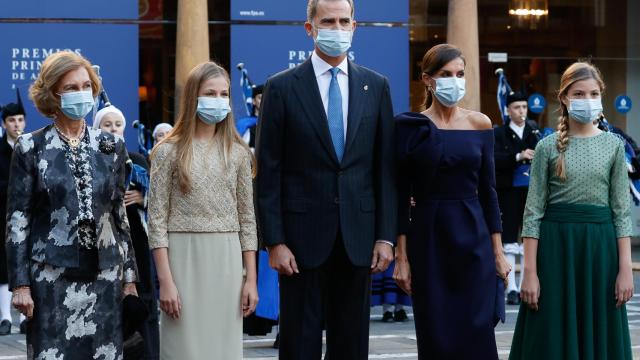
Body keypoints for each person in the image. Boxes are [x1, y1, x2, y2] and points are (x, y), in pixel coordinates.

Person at [256, 0, 396, 358]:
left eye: (343, 20)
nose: (337, 28)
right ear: (309, 28)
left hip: (358, 237)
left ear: (355, 26)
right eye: (328, 21)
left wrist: (385, 236)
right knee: (298, 344)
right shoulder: (281, 87)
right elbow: (268, 172)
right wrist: (274, 241)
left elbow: (383, 168)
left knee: (351, 345)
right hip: (299, 243)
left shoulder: (375, 86)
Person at [6, 50, 138, 359]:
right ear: (53, 94)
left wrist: (130, 278)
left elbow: (119, 215)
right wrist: (20, 284)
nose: (82, 94)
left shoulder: (112, 146)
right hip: (51, 276)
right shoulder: (31, 147)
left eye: (86, 86)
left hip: (105, 275)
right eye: (71, 88)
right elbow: (17, 220)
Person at [393, 43, 510, 359]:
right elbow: (401, 195)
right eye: (446, 74)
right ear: (428, 79)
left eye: (460, 74)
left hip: (474, 235)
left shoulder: (481, 124)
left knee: (477, 328)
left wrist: (498, 253)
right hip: (429, 238)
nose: (454, 80)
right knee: (436, 331)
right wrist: (401, 258)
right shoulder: (409, 127)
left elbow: (489, 192)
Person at [509, 62, 634, 359]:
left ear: (601, 96)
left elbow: (621, 212)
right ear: (564, 97)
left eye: (593, 94)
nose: (587, 100)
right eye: (579, 93)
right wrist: (529, 272)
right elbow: (533, 213)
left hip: (600, 253)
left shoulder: (614, 146)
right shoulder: (547, 147)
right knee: (551, 334)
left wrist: (625, 270)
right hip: (555, 252)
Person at [148, 61, 258, 359]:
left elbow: (247, 220)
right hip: (182, 259)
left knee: (222, 349)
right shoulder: (167, 152)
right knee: (182, 348)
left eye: (224, 94)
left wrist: (251, 279)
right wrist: (166, 282)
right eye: (211, 93)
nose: (218, 100)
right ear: (193, 96)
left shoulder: (237, 153)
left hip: (227, 259)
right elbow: (156, 222)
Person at [93, 106, 159, 359]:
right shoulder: (89, 161)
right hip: (103, 249)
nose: (113, 129)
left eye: (118, 124)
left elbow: (161, 203)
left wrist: (144, 198)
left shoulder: (137, 161)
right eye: (107, 124)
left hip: (138, 249)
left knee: (142, 307)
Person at [493, 91, 541, 305]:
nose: (521, 111)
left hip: (531, 191)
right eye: (517, 107)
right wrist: (518, 156)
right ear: (508, 110)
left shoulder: (534, 132)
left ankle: (525, 285)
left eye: (524, 107)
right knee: (510, 238)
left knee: (529, 236)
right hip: (509, 192)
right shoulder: (499, 133)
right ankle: (511, 287)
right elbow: (494, 160)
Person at [0, 90, 28, 335]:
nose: (16, 124)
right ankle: (5, 317)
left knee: (28, 262)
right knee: (2, 266)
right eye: (11, 120)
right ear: (4, 123)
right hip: (3, 214)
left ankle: (26, 317)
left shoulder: (31, 146)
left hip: (29, 215)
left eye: (20, 119)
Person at [236, 84, 263, 151]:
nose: (263, 100)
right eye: (260, 98)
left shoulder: (273, 123)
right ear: (254, 101)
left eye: (266, 98)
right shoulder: (243, 124)